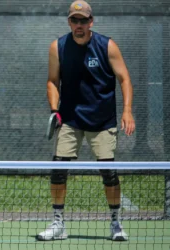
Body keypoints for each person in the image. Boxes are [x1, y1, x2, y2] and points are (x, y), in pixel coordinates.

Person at [38, 0, 136, 241]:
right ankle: (58, 223)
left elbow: (124, 78)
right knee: (58, 171)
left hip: (102, 120)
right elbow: (52, 81)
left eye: (83, 20)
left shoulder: (107, 46)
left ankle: (115, 223)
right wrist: (54, 109)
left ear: (91, 22)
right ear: (69, 22)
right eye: (74, 20)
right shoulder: (58, 47)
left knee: (109, 173)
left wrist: (127, 110)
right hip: (70, 119)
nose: (79, 25)